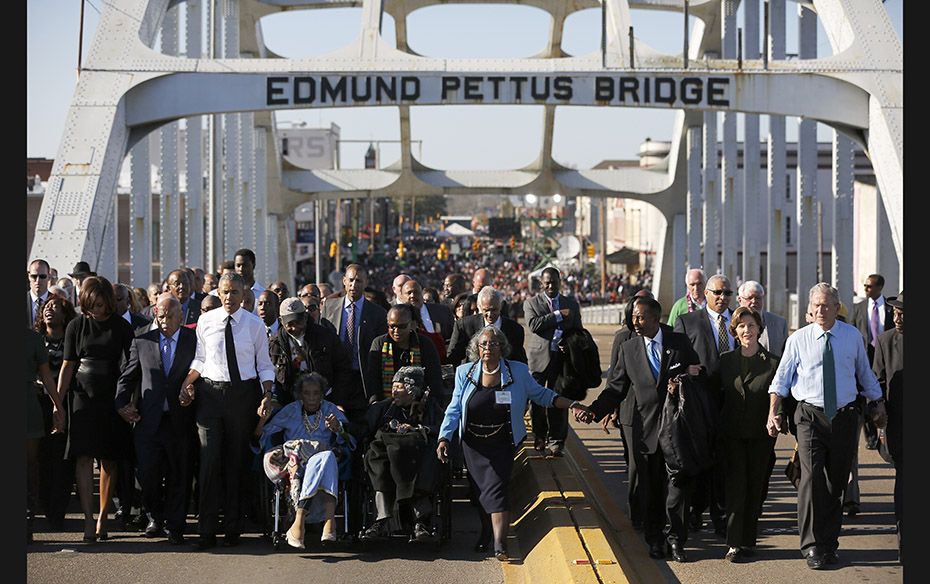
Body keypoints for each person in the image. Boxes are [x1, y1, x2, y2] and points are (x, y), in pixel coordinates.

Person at [437, 326, 588, 560]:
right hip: (473, 445)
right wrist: (444, 437)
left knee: (497, 491)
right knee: (479, 495)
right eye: (484, 344)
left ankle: (500, 544)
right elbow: (454, 409)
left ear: (502, 348)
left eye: (494, 343)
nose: (488, 348)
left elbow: (542, 395)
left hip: (503, 443)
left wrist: (573, 404)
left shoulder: (517, 371)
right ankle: (486, 532)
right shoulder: (464, 372)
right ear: (477, 348)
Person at [766, 283, 886, 570]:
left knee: (836, 481)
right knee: (810, 479)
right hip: (809, 416)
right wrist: (773, 412)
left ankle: (829, 543)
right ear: (810, 309)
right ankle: (810, 545)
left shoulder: (852, 336)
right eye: (816, 305)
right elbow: (781, 380)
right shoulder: (799, 340)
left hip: (844, 416)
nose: (821, 310)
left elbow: (864, 373)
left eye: (826, 305)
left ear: (837, 308)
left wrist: (878, 401)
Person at [578, 297, 703, 562]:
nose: (636, 322)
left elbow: (698, 371)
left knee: (678, 489)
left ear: (656, 319)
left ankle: (676, 540)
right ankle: (655, 539)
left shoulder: (678, 342)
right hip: (645, 433)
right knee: (651, 490)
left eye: (642, 317)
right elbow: (615, 389)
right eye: (634, 317)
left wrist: (685, 379)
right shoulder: (629, 348)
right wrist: (593, 411)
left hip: (677, 431)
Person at [179, 272, 275, 549]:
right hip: (210, 395)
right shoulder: (206, 322)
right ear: (218, 293)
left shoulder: (255, 325)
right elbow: (200, 358)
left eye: (234, 292)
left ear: (244, 293)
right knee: (209, 460)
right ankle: (206, 530)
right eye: (224, 292)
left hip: (242, 396)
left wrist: (267, 394)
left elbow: (264, 365)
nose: (229, 297)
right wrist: (187, 383)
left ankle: (233, 527)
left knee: (236, 462)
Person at [55, 276, 135, 541]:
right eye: (92, 304)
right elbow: (68, 365)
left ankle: (103, 517)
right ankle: (88, 520)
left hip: (112, 396)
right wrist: (58, 403)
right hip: (81, 397)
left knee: (109, 459)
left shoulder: (122, 327)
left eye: (101, 304)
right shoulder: (76, 326)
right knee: (83, 457)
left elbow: (132, 366)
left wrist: (127, 401)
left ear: (109, 302)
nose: (97, 309)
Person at [115, 294, 198, 545]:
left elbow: (201, 371)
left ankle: (175, 525)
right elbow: (127, 376)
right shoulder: (142, 340)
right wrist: (120, 404)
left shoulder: (192, 340)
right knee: (148, 474)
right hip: (148, 420)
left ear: (180, 316)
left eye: (169, 316)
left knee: (179, 475)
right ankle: (154, 517)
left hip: (180, 420)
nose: (164, 321)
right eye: (160, 316)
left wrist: (193, 391)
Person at [712, 307, 780, 562]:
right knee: (735, 486)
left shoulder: (773, 362)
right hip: (731, 435)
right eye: (741, 326)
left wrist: (778, 415)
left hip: (761, 437)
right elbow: (714, 394)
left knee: (755, 487)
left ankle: (749, 541)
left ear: (759, 329)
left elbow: (780, 394)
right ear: (735, 331)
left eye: (751, 326)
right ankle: (733, 543)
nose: (747, 331)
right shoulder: (726, 360)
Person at [260, 372, 355, 549]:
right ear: (300, 394)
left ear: (322, 394)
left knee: (325, 457)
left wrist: (338, 429)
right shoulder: (290, 410)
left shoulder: (331, 410)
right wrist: (262, 421)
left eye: (316, 393)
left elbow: (350, 440)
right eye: (307, 393)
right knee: (324, 458)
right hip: (297, 461)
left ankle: (299, 520)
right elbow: (265, 434)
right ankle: (329, 521)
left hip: (325, 458)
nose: (311, 398)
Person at [674, 273, 735, 536]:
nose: (722, 298)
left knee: (724, 461)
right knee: (699, 459)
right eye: (717, 293)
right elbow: (674, 361)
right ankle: (696, 511)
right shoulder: (688, 322)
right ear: (706, 294)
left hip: (732, 401)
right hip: (699, 402)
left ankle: (721, 514)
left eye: (726, 293)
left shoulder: (741, 320)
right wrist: (686, 368)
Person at [361, 366, 444, 543]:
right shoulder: (383, 408)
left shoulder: (429, 407)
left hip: (417, 453)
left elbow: (442, 428)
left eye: (398, 387)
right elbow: (363, 428)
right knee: (377, 461)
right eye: (393, 387)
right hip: (385, 453)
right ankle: (381, 520)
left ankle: (421, 522)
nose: (393, 391)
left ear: (411, 390)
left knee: (422, 462)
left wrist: (418, 429)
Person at [524, 267, 582, 456]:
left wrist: (570, 344)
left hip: (561, 360)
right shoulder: (531, 303)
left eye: (554, 282)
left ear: (560, 282)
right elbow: (534, 325)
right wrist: (558, 315)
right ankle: (540, 436)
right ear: (541, 283)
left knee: (559, 401)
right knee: (537, 403)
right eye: (547, 282)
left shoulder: (571, 304)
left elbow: (578, 332)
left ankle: (557, 441)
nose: (550, 286)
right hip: (539, 360)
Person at [33, 296, 78, 529]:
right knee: (42, 460)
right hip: (39, 405)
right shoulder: (36, 340)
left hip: (65, 405)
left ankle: (58, 511)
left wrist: (58, 405)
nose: (50, 310)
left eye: (56, 308)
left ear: (65, 315)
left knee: (62, 459)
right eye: (46, 308)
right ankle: (44, 507)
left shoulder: (72, 340)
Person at [321, 264, 388, 416]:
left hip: (363, 380)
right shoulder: (328, 308)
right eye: (350, 280)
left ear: (366, 283)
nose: (353, 285)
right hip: (337, 379)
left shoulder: (377, 313)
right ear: (344, 280)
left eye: (358, 281)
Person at [268, 297, 352, 410]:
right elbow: (270, 375)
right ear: (281, 321)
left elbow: (343, 368)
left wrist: (338, 401)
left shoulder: (325, 337)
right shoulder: (275, 344)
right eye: (290, 323)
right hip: (289, 404)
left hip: (324, 401)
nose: (295, 327)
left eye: (298, 322)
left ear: (305, 317)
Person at [872, 291, 903, 562]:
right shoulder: (885, 341)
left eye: (904, 313)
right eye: (895, 312)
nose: (898, 317)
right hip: (899, 425)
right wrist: (879, 409)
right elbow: (876, 382)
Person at [27, 324, 65, 543]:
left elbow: (47, 376)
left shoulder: (34, 340)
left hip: (28, 404)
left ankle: (28, 518)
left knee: (31, 465)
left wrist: (58, 406)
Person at [365, 305, 445, 407]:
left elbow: (435, 379)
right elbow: (373, 378)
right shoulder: (379, 343)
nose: (396, 331)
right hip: (386, 405)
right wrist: (375, 404)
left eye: (402, 326)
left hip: (419, 405)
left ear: (412, 324)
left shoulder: (425, 344)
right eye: (392, 326)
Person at [447, 286, 527, 366]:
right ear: (480, 307)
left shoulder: (515, 329)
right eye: (486, 310)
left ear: (500, 306)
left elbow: (520, 361)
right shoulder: (464, 326)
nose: (490, 314)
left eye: (494, 310)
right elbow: (453, 357)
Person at [736, 281, 788, 357]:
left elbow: (786, 353)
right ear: (740, 300)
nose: (754, 301)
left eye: (758, 298)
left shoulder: (779, 322)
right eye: (749, 298)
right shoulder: (732, 321)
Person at [27, 258, 52, 328]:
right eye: (34, 276)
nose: (38, 281)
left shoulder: (58, 302)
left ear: (49, 277)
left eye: (42, 276)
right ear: (29, 276)